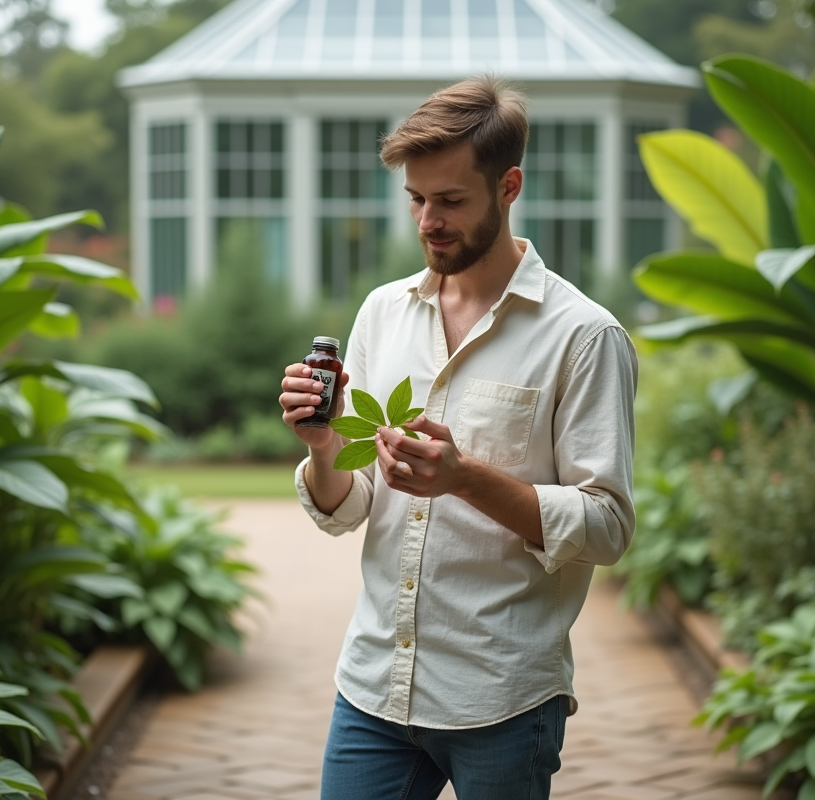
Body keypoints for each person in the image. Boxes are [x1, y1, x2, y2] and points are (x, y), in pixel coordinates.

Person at [278, 75, 638, 800]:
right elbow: (349, 508)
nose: (427, 221)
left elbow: (607, 527)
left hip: (501, 699)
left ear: (508, 187)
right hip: (376, 686)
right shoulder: (382, 313)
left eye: (450, 201)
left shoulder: (585, 336)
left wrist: (464, 478)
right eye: (416, 199)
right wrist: (321, 446)